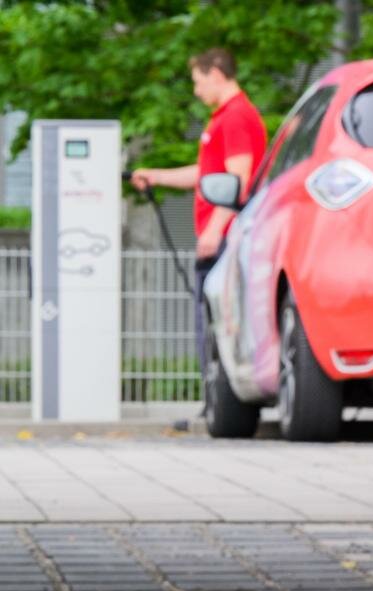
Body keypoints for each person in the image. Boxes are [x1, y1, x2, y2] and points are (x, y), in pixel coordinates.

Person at [132, 48, 266, 402]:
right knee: (212, 321)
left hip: (223, 238)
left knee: (216, 323)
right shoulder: (224, 117)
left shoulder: (236, 116)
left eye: (198, 81)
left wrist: (213, 230)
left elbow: (237, 178)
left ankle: (220, 404)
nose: (196, 91)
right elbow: (207, 174)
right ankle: (214, 402)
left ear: (217, 74)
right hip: (222, 235)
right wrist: (156, 176)